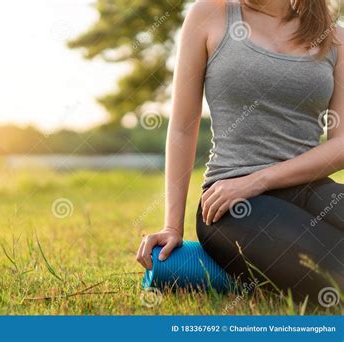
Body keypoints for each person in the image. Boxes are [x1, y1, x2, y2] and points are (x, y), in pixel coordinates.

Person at [136, 0, 344, 301]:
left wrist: (260, 179)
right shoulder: (208, 15)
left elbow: (340, 145)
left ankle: (250, 277)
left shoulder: (334, 37)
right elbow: (183, 127)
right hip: (233, 203)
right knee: (334, 273)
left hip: (311, 192)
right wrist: (172, 226)